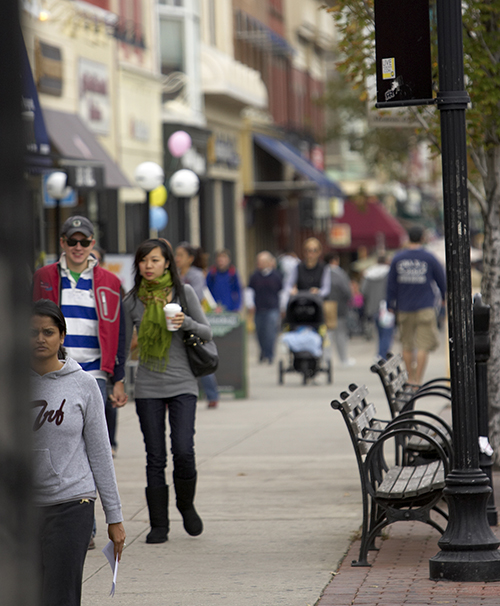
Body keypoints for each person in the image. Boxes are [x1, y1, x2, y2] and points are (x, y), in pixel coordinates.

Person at [32, 215, 128, 548]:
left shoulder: (109, 281)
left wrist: (117, 376)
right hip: (51, 369)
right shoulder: (44, 277)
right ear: (61, 243)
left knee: (91, 445)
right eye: (71, 241)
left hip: (92, 373)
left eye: (83, 242)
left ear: (92, 244)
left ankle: (82, 521)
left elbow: (121, 330)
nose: (77, 247)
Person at [30, 299, 125, 606]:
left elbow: (100, 454)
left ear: (62, 336)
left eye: (48, 331)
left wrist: (115, 517)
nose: (40, 338)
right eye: (33, 332)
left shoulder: (84, 385)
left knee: (60, 595)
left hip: (72, 504)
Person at [124, 238, 213, 543]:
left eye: (155, 260)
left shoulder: (184, 292)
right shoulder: (132, 300)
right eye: (143, 260)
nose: (149, 266)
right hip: (148, 386)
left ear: (167, 264)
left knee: (184, 451)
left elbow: (207, 331)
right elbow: (124, 347)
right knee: (155, 457)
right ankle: (159, 524)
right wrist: (118, 381)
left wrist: (184, 320)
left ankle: (186, 506)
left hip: (183, 384)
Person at [387, 225, 447, 384]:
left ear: (408, 238)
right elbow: (441, 279)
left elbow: (391, 283)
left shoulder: (398, 258)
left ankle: (409, 377)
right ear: (422, 238)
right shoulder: (429, 258)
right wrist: (444, 297)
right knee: (423, 345)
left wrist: (390, 303)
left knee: (407, 345)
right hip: (425, 307)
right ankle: (417, 381)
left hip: (404, 307)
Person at [175, 241, 220, 409]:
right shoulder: (175, 273)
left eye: (181, 255)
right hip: (175, 323)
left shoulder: (195, 275)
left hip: (193, 322)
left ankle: (212, 394)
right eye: (176, 255)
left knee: (199, 355)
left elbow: (197, 295)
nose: (177, 258)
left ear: (190, 258)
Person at [247, 251, 283, 364]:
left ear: (268, 262)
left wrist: (283, 307)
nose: (259, 264)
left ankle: (270, 354)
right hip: (259, 308)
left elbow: (282, 292)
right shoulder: (254, 276)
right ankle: (263, 351)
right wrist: (250, 304)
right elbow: (249, 291)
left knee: (271, 332)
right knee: (260, 332)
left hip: (272, 308)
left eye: (262, 261)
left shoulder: (277, 276)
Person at [324, 252, 355, 367]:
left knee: (327, 334)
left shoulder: (322, 272)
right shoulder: (340, 274)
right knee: (341, 334)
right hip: (339, 307)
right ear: (335, 260)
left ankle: (326, 359)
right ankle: (343, 359)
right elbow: (346, 291)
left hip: (324, 307)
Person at [360, 255, 394, 359]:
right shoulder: (390, 273)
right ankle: (382, 355)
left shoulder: (369, 273)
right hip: (387, 307)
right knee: (387, 333)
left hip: (373, 307)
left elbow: (363, 290)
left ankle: (380, 353)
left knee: (379, 333)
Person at [283, 238, 331, 307]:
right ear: (304, 252)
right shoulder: (298, 267)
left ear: (319, 252)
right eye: (309, 251)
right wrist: (292, 291)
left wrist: (318, 292)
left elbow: (326, 289)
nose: (311, 254)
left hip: (317, 305)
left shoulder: (324, 268)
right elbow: (287, 285)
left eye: (314, 251)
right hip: (300, 304)